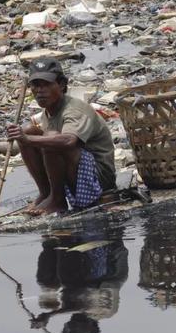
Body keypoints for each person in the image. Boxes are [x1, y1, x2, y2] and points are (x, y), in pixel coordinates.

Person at [7, 58, 116, 215]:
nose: (40, 90)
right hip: (74, 170)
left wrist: (26, 139)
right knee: (29, 130)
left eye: (46, 84)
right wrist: (23, 137)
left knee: (47, 137)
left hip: (98, 177)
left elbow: (69, 141)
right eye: (36, 85)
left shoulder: (75, 109)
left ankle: (57, 200)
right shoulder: (48, 113)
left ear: (62, 85)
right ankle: (47, 193)